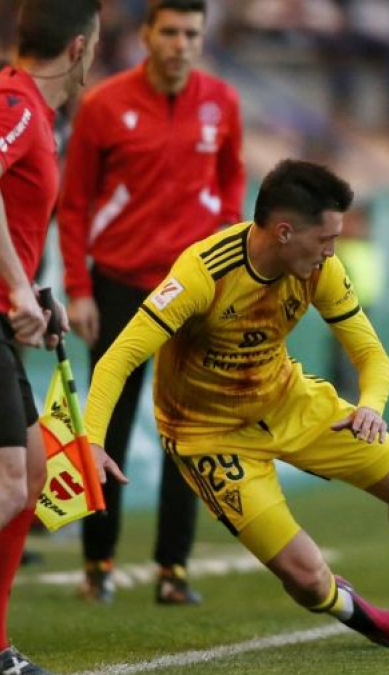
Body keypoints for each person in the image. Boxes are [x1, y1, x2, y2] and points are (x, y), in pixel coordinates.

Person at [83, 159, 389, 648]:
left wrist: (370, 405)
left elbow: (371, 354)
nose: (333, 250)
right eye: (325, 239)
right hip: (209, 436)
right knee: (306, 579)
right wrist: (91, 441)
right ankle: (356, 610)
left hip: (288, 401)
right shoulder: (203, 274)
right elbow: (117, 360)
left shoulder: (320, 269)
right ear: (285, 232)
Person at [58, 0, 245, 607]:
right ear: (145, 34)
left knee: (185, 432)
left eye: (192, 33)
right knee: (106, 423)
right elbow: (76, 202)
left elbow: (231, 185)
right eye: (169, 31)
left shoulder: (224, 103)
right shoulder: (106, 104)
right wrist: (79, 289)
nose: (180, 43)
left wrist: (231, 269)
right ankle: (98, 563)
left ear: (202, 37)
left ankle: (173, 570)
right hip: (120, 283)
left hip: (196, 291)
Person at [0, 1, 101, 673]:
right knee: (10, 481)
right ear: (78, 48)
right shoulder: (15, 103)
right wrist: (14, 285)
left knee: (32, 474)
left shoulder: (34, 111)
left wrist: (32, 289)